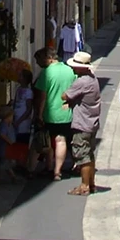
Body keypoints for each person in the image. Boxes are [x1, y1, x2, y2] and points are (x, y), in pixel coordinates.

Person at [33, 45, 75, 180]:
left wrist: (38, 115)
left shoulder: (46, 73)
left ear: (48, 58)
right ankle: (57, 171)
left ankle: (46, 167)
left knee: (46, 142)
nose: (38, 64)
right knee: (61, 140)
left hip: (49, 113)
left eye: (39, 60)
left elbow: (42, 97)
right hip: (65, 112)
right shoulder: (69, 70)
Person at [62, 51, 101, 195]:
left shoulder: (81, 81)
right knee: (89, 154)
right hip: (92, 121)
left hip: (82, 123)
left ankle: (84, 186)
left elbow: (64, 95)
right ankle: (91, 184)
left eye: (74, 66)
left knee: (82, 155)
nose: (72, 68)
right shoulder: (92, 79)